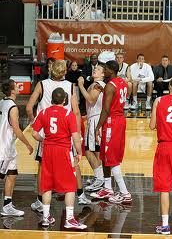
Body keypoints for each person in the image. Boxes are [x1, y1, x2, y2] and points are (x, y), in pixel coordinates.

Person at [26, 60, 90, 212]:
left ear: (50, 69)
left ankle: (41, 201)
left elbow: (29, 107)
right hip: (65, 131)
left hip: (45, 133)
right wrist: (78, 134)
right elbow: (75, 111)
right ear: (65, 72)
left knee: (43, 166)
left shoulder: (41, 84)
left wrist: (33, 121)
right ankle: (80, 194)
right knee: (74, 162)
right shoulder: (70, 86)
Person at [32, 87, 87, 229]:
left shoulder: (43, 112)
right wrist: (79, 152)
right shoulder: (68, 114)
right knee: (70, 185)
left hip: (48, 151)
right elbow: (75, 137)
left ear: (52, 98)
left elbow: (34, 133)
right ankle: (69, 219)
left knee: (47, 184)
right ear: (64, 99)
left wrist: (43, 140)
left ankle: (45, 217)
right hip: (63, 151)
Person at [92, 60, 132, 204]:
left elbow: (106, 109)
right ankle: (108, 188)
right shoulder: (122, 82)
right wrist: (106, 91)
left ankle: (125, 193)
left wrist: (98, 127)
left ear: (110, 70)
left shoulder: (110, 86)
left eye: (105, 69)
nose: (104, 71)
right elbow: (117, 96)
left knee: (112, 157)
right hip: (120, 119)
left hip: (112, 122)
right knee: (105, 154)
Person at [149, 77, 172, 235]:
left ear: (169, 87)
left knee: (165, 188)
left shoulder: (159, 101)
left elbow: (151, 126)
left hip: (164, 146)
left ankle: (165, 226)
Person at [0, 80, 33, 216]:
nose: (19, 87)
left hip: (9, 147)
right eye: (16, 86)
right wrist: (28, 143)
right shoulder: (12, 107)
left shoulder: (2, 102)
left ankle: (7, 206)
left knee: (12, 175)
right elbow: (17, 130)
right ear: (12, 91)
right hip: (4, 147)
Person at [78, 64, 105, 192]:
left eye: (98, 69)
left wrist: (81, 86)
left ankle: (100, 178)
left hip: (96, 118)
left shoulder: (97, 85)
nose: (95, 70)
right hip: (95, 117)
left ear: (103, 74)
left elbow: (90, 99)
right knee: (96, 150)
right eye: (95, 68)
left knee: (88, 150)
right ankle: (100, 177)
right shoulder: (97, 84)